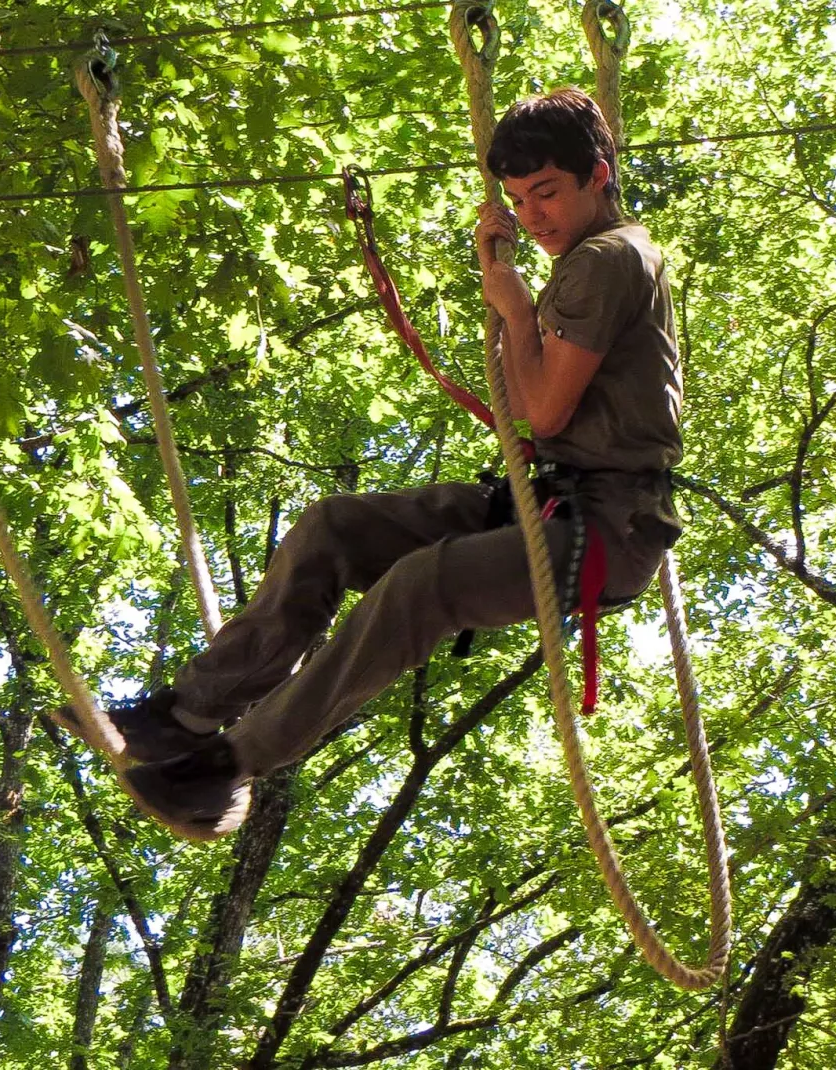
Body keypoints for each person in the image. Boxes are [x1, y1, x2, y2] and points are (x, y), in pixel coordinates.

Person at [89, 87, 685, 840]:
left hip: (608, 528)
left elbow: (544, 412)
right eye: (518, 200)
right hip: (546, 499)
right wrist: (513, 303)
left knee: (420, 584)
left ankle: (224, 770)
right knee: (335, 527)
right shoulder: (585, 258)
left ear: (598, 176)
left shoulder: (607, 260)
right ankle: (190, 713)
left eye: (548, 194)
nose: (533, 218)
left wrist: (511, 306)